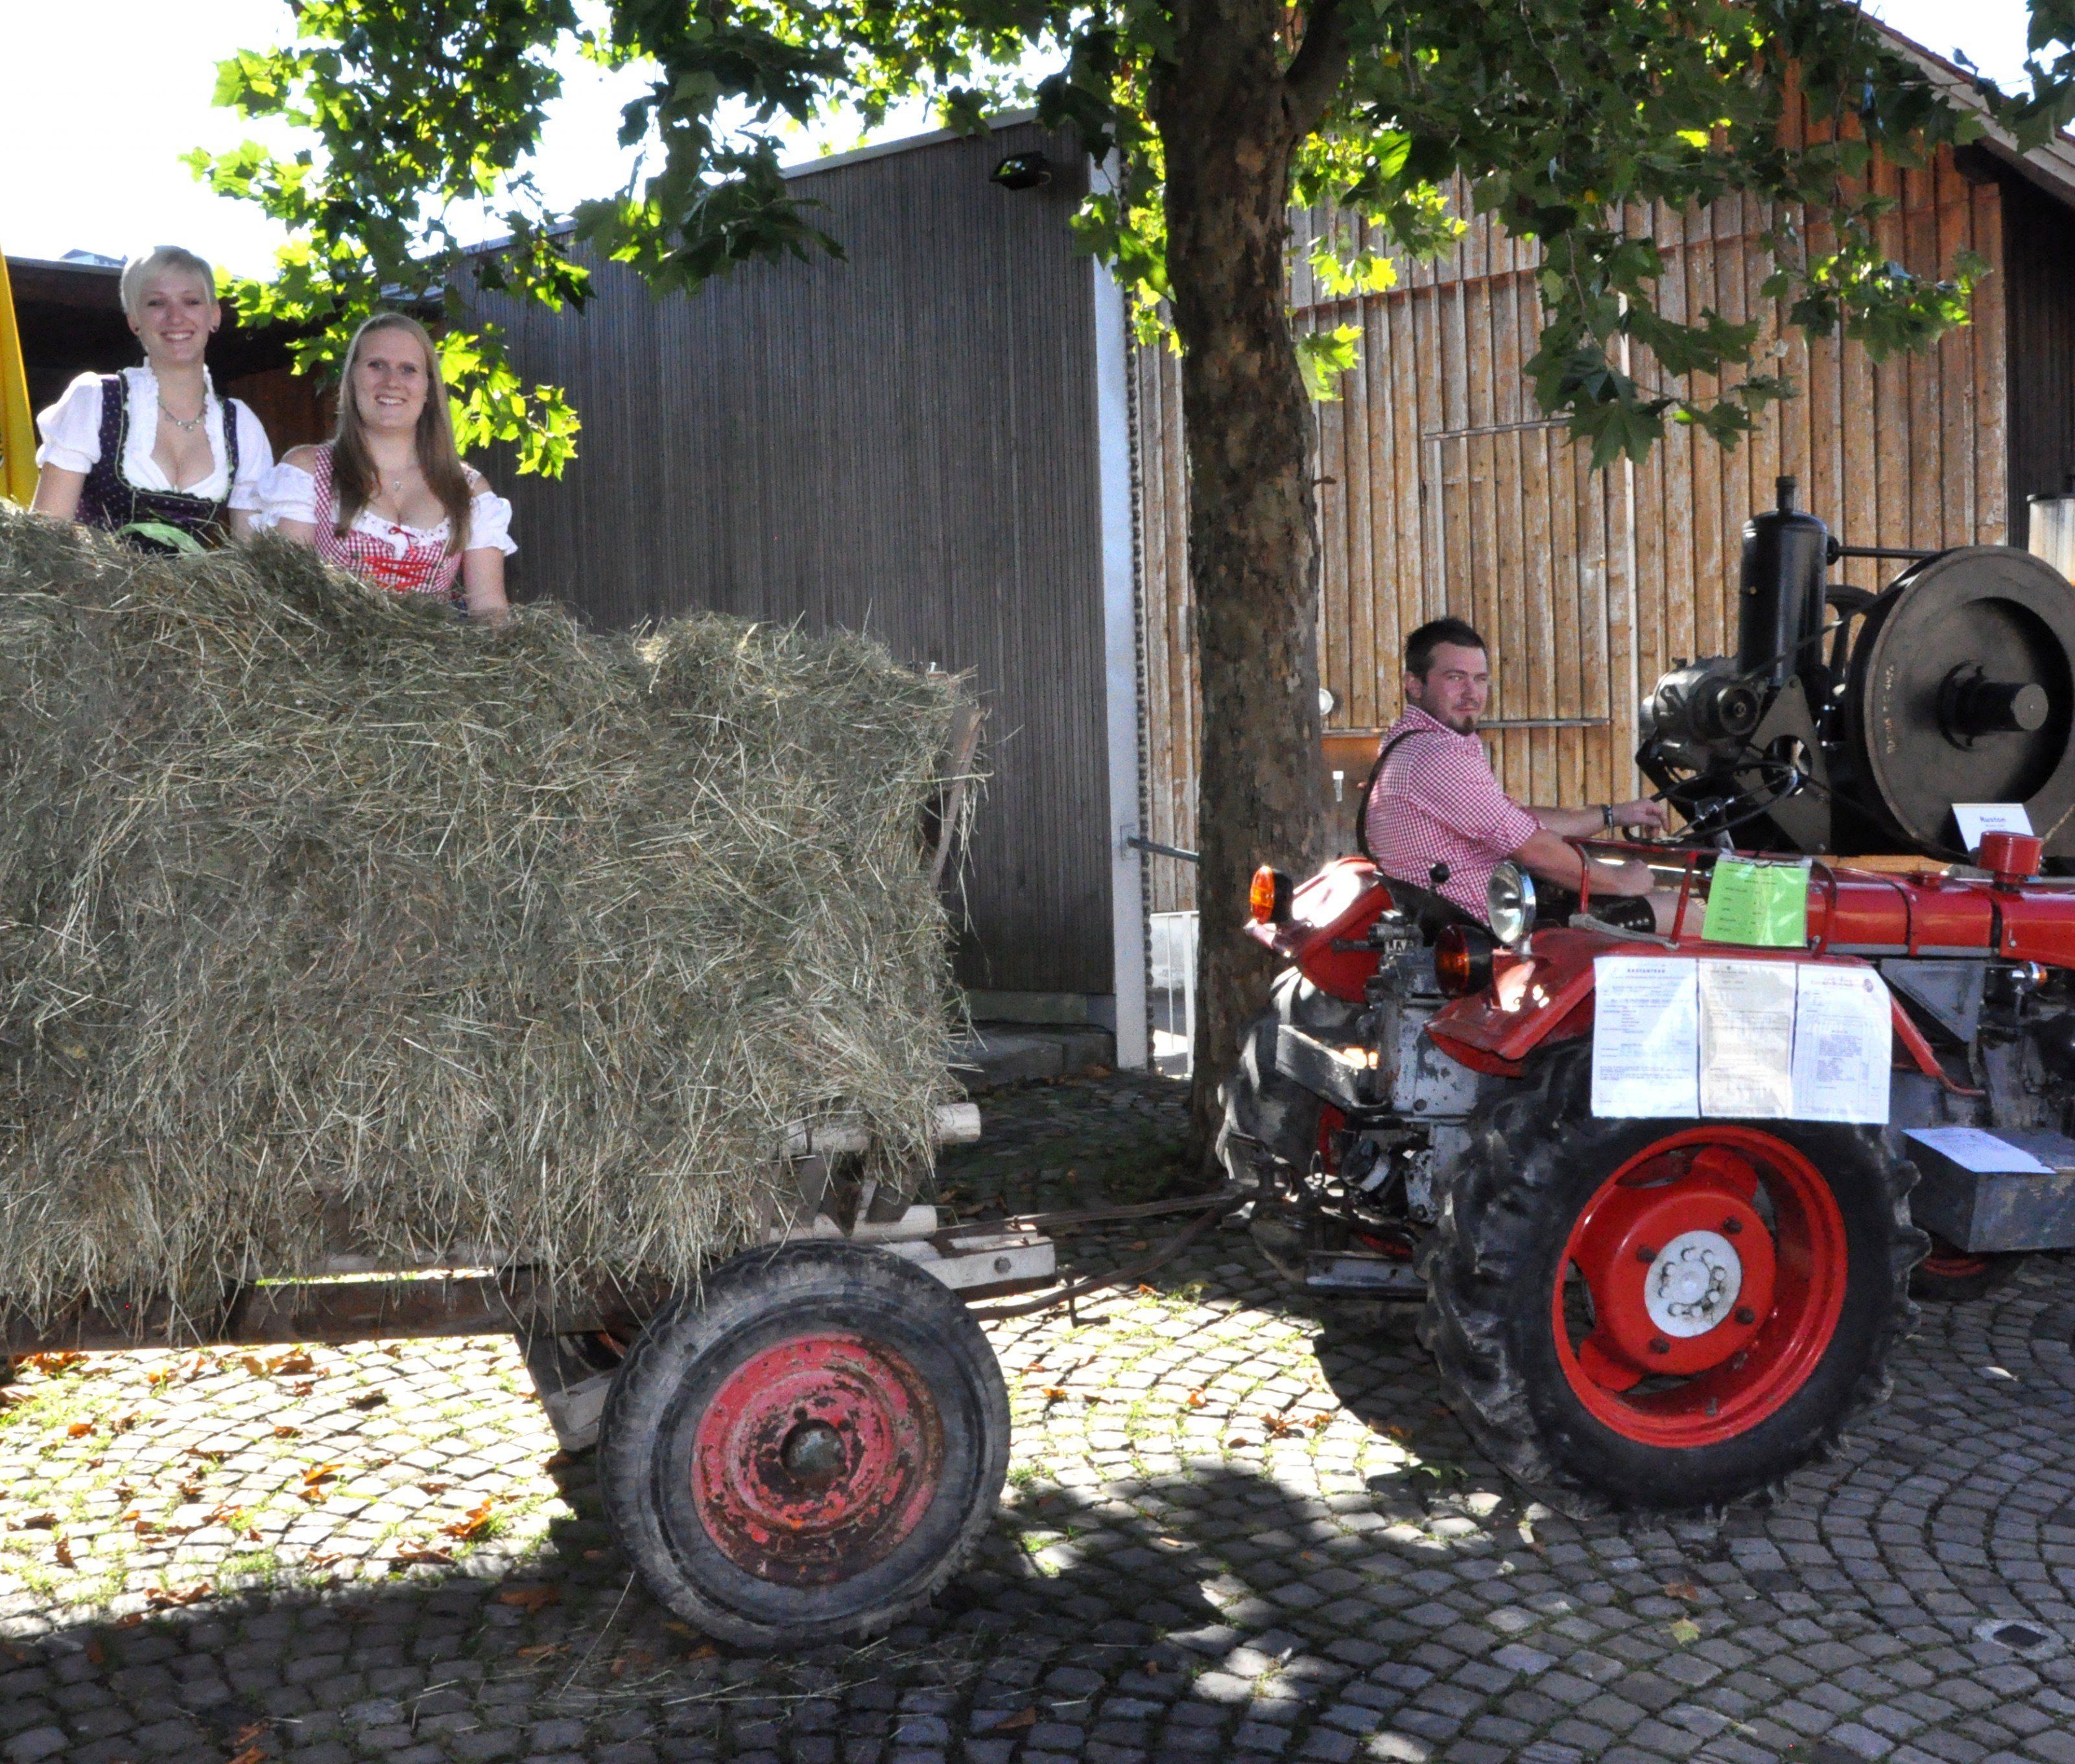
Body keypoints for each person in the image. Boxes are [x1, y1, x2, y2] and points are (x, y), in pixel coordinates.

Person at [1363, 616, 1680, 930]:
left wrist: (1614, 814)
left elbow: (1515, 821)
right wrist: (1621, 880)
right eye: (1456, 678)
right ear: (1415, 684)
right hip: (1491, 927)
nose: (1472, 693)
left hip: (1473, 915)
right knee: (1681, 910)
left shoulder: (1406, 741)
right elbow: (1534, 849)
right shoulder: (1436, 753)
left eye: (1481, 679)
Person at [252, 312, 514, 619]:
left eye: (408, 369)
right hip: (330, 659)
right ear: (351, 379)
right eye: (376, 365)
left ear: (428, 389)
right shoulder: (308, 473)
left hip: (436, 662)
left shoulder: (467, 489)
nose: (392, 382)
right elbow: (289, 597)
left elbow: (490, 608)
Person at [32, 246, 274, 549]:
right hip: (92, 593)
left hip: (195, 597)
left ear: (214, 315)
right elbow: (45, 538)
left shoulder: (240, 426)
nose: (175, 317)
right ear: (135, 321)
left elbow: (254, 554)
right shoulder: (96, 401)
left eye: (191, 301)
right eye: (156, 303)